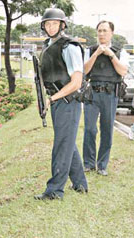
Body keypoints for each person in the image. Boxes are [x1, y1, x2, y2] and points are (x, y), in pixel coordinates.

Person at [34, 8, 88, 200]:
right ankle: (80, 183)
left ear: (62, 25)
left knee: (61, 145)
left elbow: (76, 82)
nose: (50, 27)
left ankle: (55, 191)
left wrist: (53, 98)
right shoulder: (50, 45)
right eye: (47, 24)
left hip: (68, 102)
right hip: (58, 102)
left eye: (54, 23)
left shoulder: (69, 47)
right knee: (67, 143)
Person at [82, 21, 128, 176]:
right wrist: (96, 54)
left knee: (107, 129)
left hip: (110, 94)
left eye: (105, 31)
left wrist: (111, 54)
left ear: (111, 33)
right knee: (89, 128)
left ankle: (102, 165)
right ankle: (88, 163)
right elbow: (84, 71)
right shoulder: (90, 51)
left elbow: (123, 71)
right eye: (99, 31)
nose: (101, 34)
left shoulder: (120, 52)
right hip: (92, 93)